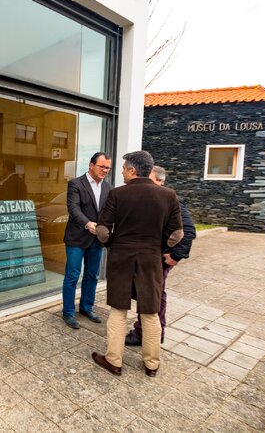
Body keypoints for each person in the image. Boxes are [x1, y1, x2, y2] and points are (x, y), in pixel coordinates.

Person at [93, 151, 183, 377]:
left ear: (132, 170)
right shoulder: (168, 195)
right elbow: (177, 234)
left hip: (121, 258)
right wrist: (158, 247)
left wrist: (112, 244)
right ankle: (151, 365)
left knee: (118, 310)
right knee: (150, 312)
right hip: (151, 259)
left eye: (124, 168)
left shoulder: (116, 194)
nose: (122, 172)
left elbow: (102, 231)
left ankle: (114, 361)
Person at [125, 165, 196, 345]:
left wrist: (176, 256)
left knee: (153, 297)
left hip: (159, 259)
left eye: (148, 178)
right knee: (148, 295)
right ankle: (148, 332)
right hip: (147, 258)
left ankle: (148, 335)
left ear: (159, 181)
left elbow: (188, 230)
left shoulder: (172, 200)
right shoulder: (150, 198)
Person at [60, 152, 112, 329]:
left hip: (97, 240)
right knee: (72, 275)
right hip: (77, 238)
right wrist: (87, 224)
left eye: (108, 168)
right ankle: (68, 312)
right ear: (91, 165)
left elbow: (108, 212)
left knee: (92, 275)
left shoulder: (107, 187)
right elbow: (73, 208)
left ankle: (86, 307)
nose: (105, 170)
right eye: (102, 166)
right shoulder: (76, 183)